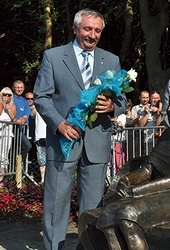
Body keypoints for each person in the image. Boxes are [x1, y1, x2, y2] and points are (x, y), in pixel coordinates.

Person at [33, 8, 127, 250]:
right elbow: (42, 98)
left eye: (97, 31)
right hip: (63, 141)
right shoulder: (53, 57)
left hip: (96, 143)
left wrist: (112, 106)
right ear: (75, 28)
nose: (92, 35)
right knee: (56, 203)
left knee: (93, 208)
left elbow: (123, 100)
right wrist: (59, 124)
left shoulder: (112, 59)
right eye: (87, 29)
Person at [80, 86, 170, 250]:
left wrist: (134, 191)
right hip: (155, 192)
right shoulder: (168, 134)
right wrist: (127, 180)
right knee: (108, 213)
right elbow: (149, 168)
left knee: (127, 216)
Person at [12, 80, 32, 161]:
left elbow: (27, 113)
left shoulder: (24, 101)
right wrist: (15, 119)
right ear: (13, 88)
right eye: (17, 87)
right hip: (11, 127)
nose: (19, 89)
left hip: (20, 129)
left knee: (27, 146)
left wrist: (23, 119)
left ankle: (18, 165)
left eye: (21, 87)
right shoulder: (10, 98)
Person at [0, 87, 16, 187]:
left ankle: (1, 178)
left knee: (4, 156)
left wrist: (8, 107)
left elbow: (13, 117)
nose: (6, 96)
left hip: (7, 134)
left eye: (9, 94)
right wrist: (2, 105)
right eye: (4, 94)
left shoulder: (12, 106)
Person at [34, 109, 46, 183]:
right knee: (41, 160)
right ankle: (43, 179)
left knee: (48, 159)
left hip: (49, 136)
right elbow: (32, 112)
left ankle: (46, 178)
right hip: (39, 136)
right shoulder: (37, 107)